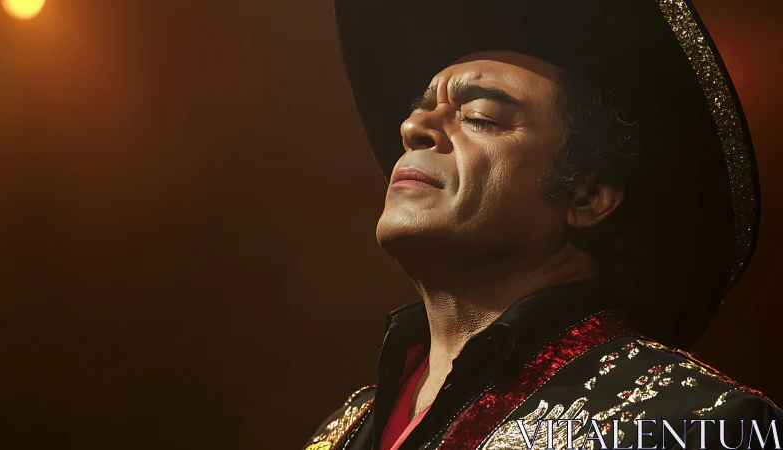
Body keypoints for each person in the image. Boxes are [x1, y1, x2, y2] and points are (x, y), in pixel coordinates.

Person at [304, 0, 781, 449]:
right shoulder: (347, 425)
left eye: (480, 116)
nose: (413, 127)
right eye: (420, 108)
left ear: (588, 198)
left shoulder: (699, 423)